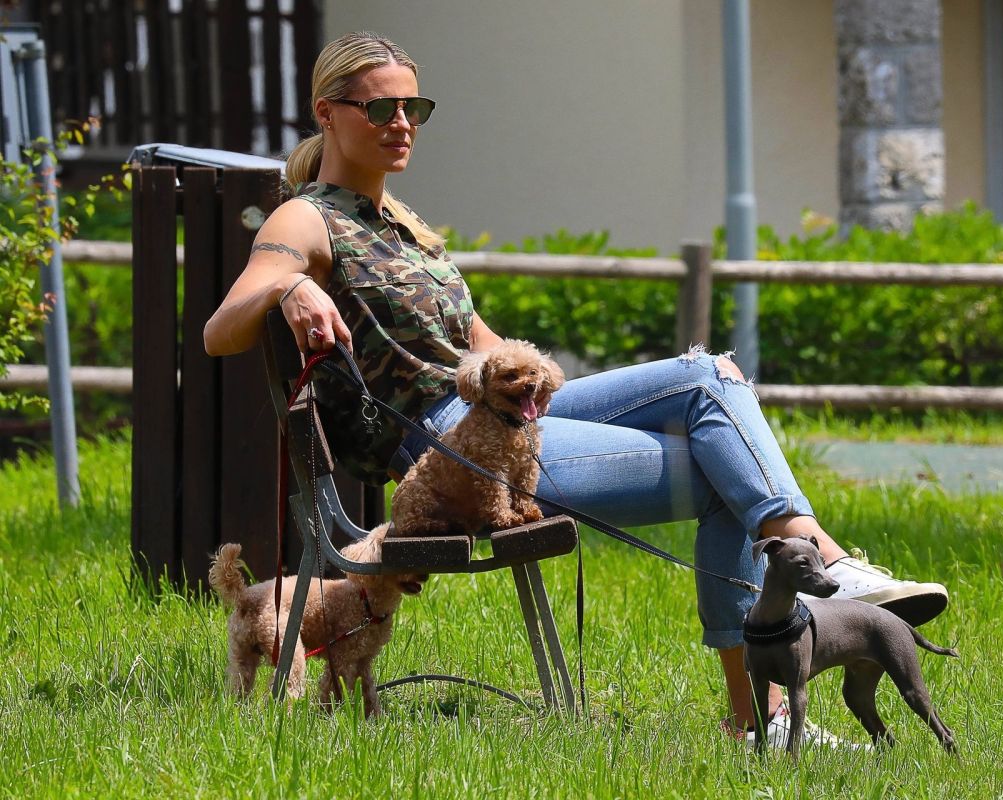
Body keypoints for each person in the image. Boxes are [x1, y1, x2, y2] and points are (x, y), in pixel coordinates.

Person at [204, 30, 949, 748]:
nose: (402, 124)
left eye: (414, 109)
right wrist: (292, 286)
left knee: (706, 373)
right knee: (728, 478)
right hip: (455, 453)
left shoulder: (405, 227)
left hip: (507, 416)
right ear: (327, 113)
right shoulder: (306, 217)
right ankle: (778, 679)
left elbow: (487, 349)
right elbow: (222, 329)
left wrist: (566, 396)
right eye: (380, 108)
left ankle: (811, 569)